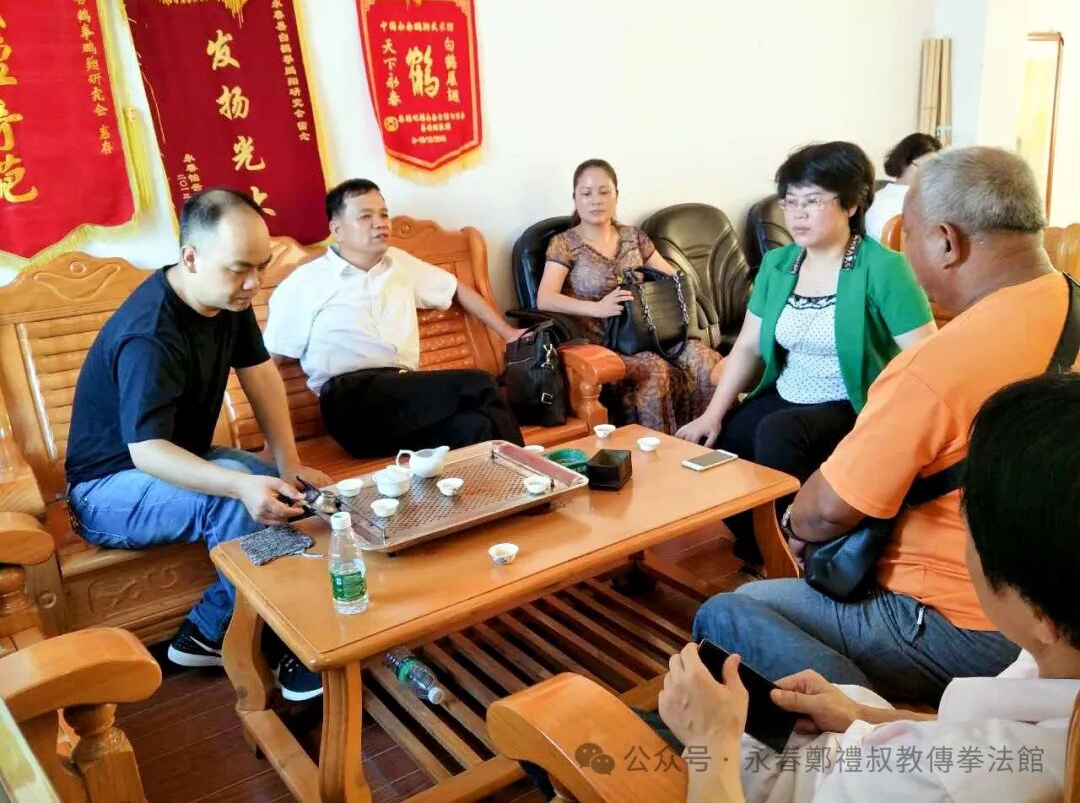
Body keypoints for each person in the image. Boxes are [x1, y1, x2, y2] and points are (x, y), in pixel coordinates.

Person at [693, 146, 1075, 706]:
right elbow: (750, 346)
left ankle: (860, 720)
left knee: (726, 612)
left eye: (909, 235)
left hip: (970, 623)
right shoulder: (1068, 303)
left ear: (946, 241)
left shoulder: (936, 363)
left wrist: (792, 525)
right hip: (1063, 606)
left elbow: (826, 511)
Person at [659, 373, 1080, 803]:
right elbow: (981, 730)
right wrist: (863, 715)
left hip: (758, 776)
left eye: (969, 532)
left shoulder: (936, 783)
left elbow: (826, 510)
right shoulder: (1054, 680)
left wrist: (711, 744)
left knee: (716, 627)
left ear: (1039, 615)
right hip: (854, 734)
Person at [66, 189, 331, 701]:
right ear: (191, 258)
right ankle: (257, 640)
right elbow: (146, 451)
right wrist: (240, 485)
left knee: (286, 491)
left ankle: (217, 630)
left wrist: (289, 464)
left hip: (174, 461)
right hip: (106, 489)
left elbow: (261, 376)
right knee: (237, 499)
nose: (253, 283)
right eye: (239, 269)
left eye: (261, 267)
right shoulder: (150, 332)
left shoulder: (227, 299)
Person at [676, 142, 935, 565]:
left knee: (777, 433)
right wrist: (712, 414)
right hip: (789, 390)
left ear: (851, 204)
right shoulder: (779, 264)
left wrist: (899, 429)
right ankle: (765, 547)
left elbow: (924, 357)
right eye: (790, 202)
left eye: (812, 201)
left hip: (853, 400)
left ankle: (798, 544)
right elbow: (748, 345)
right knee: (728, 441)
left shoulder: (884, 268)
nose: (797, 214)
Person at [263, 179, 525, 458]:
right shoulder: (306, 281)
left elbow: (456, 288)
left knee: (476, 428)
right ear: (337, 229)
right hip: (349, 401)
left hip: (402, 399)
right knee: (480, 384)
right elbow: (267, 364)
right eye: (365, 216)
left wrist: (508, 333)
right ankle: (534, 470)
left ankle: (521, 482)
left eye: (383, 214)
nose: (380, 223)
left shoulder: (399, 263)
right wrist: (273, 447)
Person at [536, 159, 723, 434]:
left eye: (604, 192)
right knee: (655, 370)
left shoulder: (634, 237)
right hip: (601, 344)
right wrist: (597, 308)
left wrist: (655, 286)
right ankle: (662, 448)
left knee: (706, 360)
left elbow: (673, 279)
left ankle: (713, 441)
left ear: (616, 195)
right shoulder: (564, 244)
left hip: (651, 335)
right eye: (586, 193)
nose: (596, 200)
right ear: (575, 198)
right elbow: (545, 298)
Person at [864, 132, 942, 242]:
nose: (930, 174)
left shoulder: (934, 199)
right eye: (926, 167)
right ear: (904, 162)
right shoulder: (879, 202)